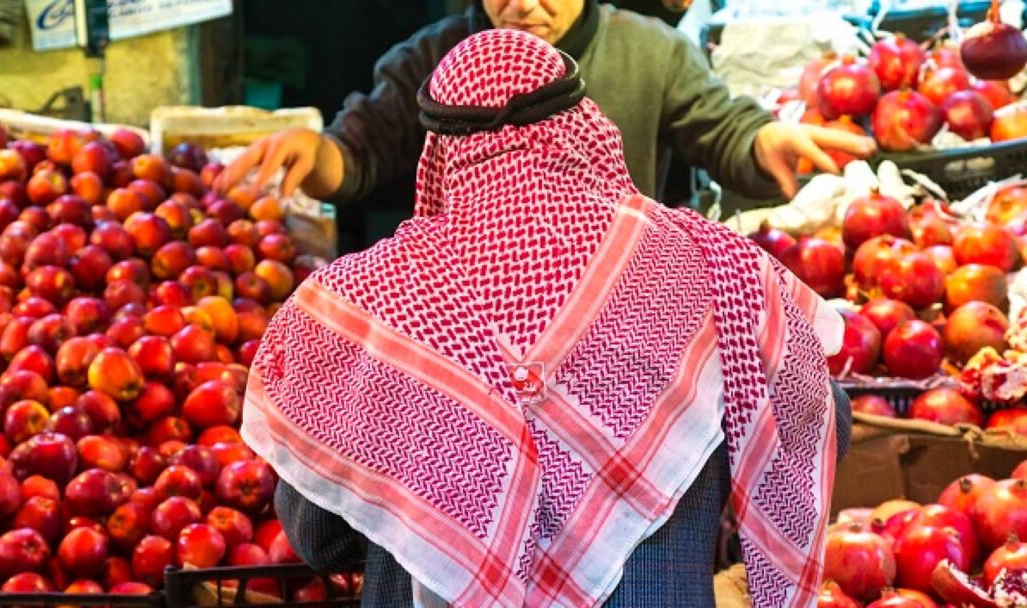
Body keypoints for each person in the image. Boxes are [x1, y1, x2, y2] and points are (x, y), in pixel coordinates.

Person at [241, 29, 852, 607]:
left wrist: (431, 494)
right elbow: (819, 419)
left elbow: (319, 538)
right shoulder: (709, 262)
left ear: (440, 149)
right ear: (582, 121)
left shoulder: (363, 303)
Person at [215, 0, 875, 250]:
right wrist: (315, 153)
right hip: (475, 328)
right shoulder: (432, 58)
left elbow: (724, 128)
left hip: (618, 316)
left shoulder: (651, 52)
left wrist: (765, 140)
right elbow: (361, 151)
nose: (525, 6)